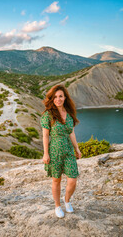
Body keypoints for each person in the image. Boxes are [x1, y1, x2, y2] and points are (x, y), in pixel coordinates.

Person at [40, 84, 82, 218]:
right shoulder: (48, 115)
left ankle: (67, 200)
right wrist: (45, 154)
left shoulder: (69, 115)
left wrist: (77, 149)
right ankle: (57, 206)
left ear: (65, 98)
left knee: (73, 179)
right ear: (52, 99)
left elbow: (72, 133)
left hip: (69, 151)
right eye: (55, 97)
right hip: (55, 152)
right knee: (56, 180)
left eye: (60, 96)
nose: (58, 99)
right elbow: (45, 135)